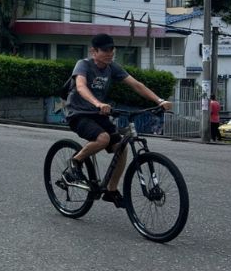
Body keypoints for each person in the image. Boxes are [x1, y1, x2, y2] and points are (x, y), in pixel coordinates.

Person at [62, 33, 173, 208]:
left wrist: (159, 101)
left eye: (112, 49)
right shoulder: (83, 65)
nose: (110, 52)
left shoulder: (112, 67)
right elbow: (81, 86)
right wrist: (98, 103)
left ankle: (111, 190)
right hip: (78, 114)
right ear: (94, 51)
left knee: (121, 147)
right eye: (105, 50)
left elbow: (136, 85)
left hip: (99, 114)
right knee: (103, 138)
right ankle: (75, 162)